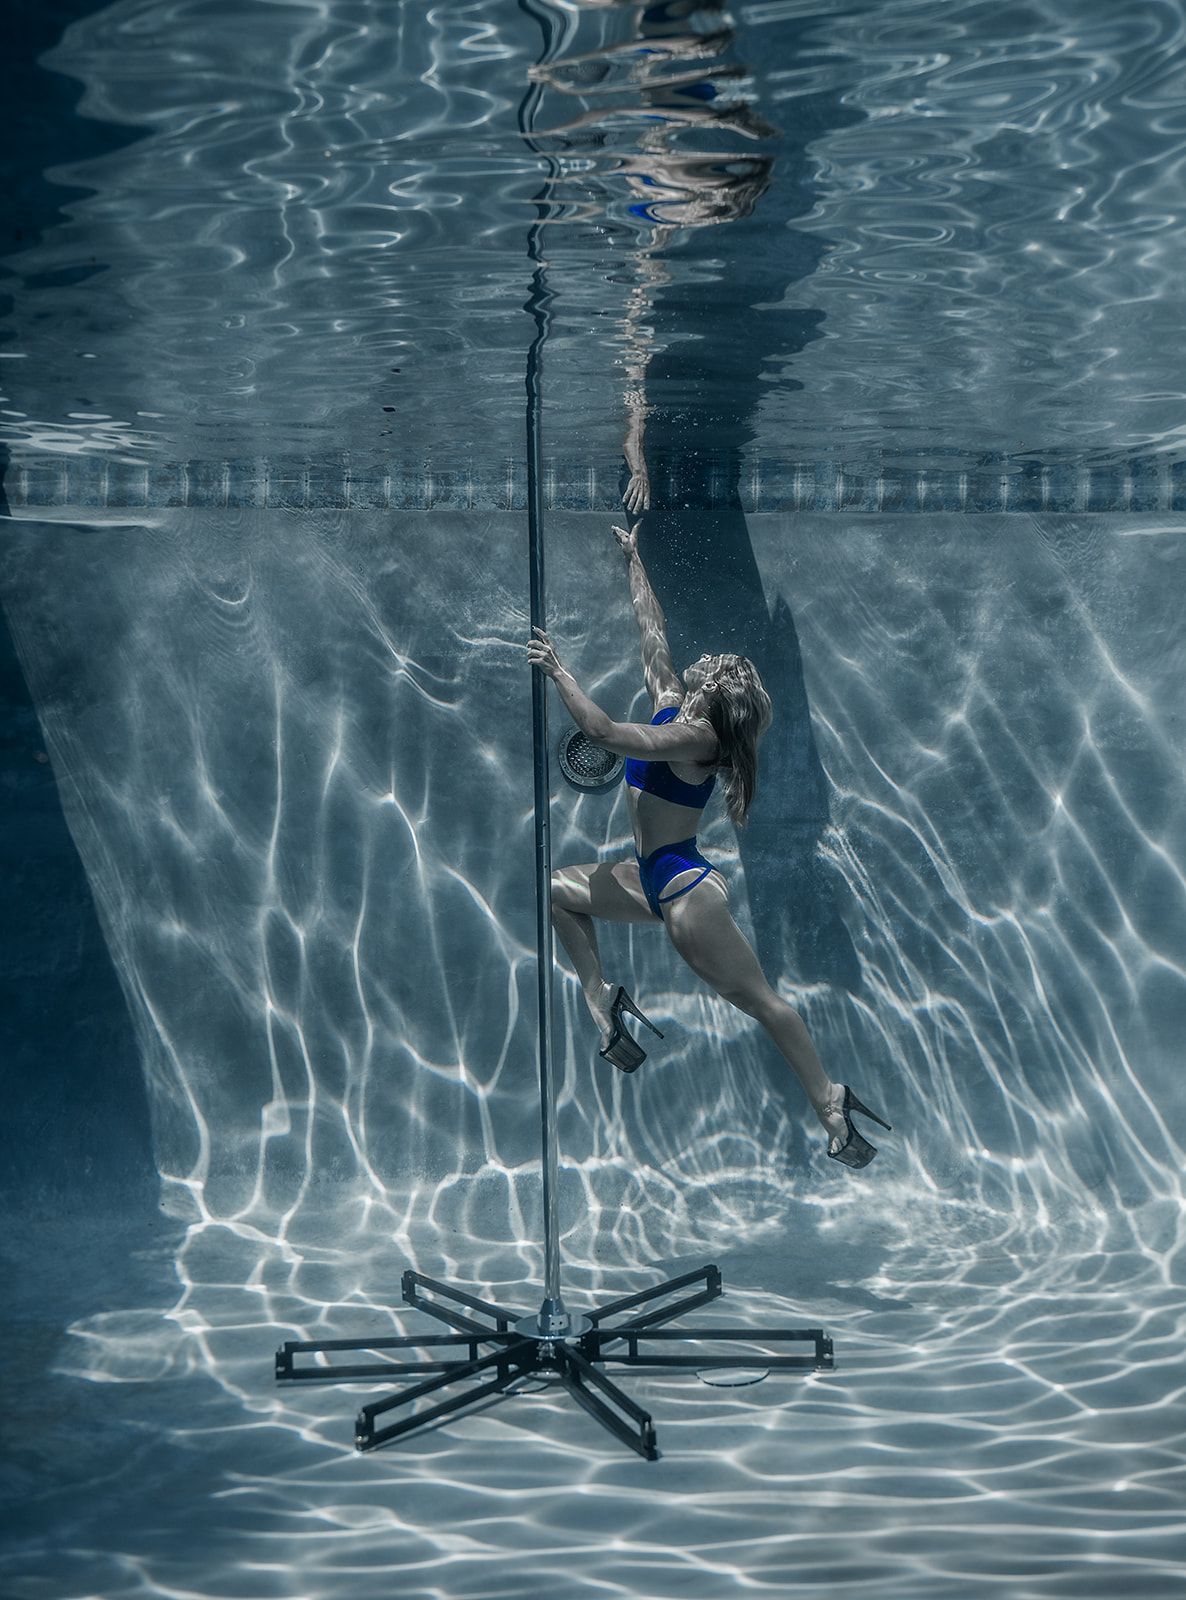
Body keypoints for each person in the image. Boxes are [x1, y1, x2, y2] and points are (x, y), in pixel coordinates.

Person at [527, 521, 891, 1168]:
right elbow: (653, 633)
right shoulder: (675, 703)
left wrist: (558, 670)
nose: (711, 659)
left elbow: (604, 732)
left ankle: (829, 1101)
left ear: (718, 693)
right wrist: (634, 560)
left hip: (683, 891)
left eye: (721, 667)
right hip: (649, 874)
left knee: (758, 1001)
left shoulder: (696, 741)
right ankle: (601, 997)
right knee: (554, 892)